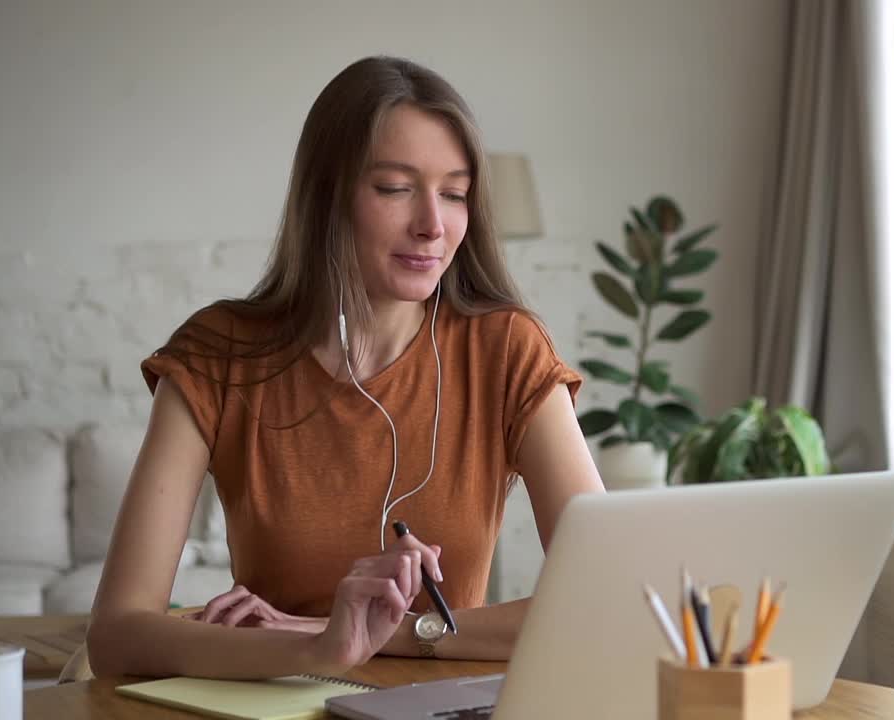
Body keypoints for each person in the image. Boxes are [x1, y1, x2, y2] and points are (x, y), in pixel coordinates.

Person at [86, 56, 605, 680]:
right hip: (271, 697)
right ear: (327, 194)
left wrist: (380, 634)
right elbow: (116, 633)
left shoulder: (507, 349)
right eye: (394, 188)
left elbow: (600, 599)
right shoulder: (216, 354)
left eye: (456, 194)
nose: (432, 226)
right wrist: (315, 649)